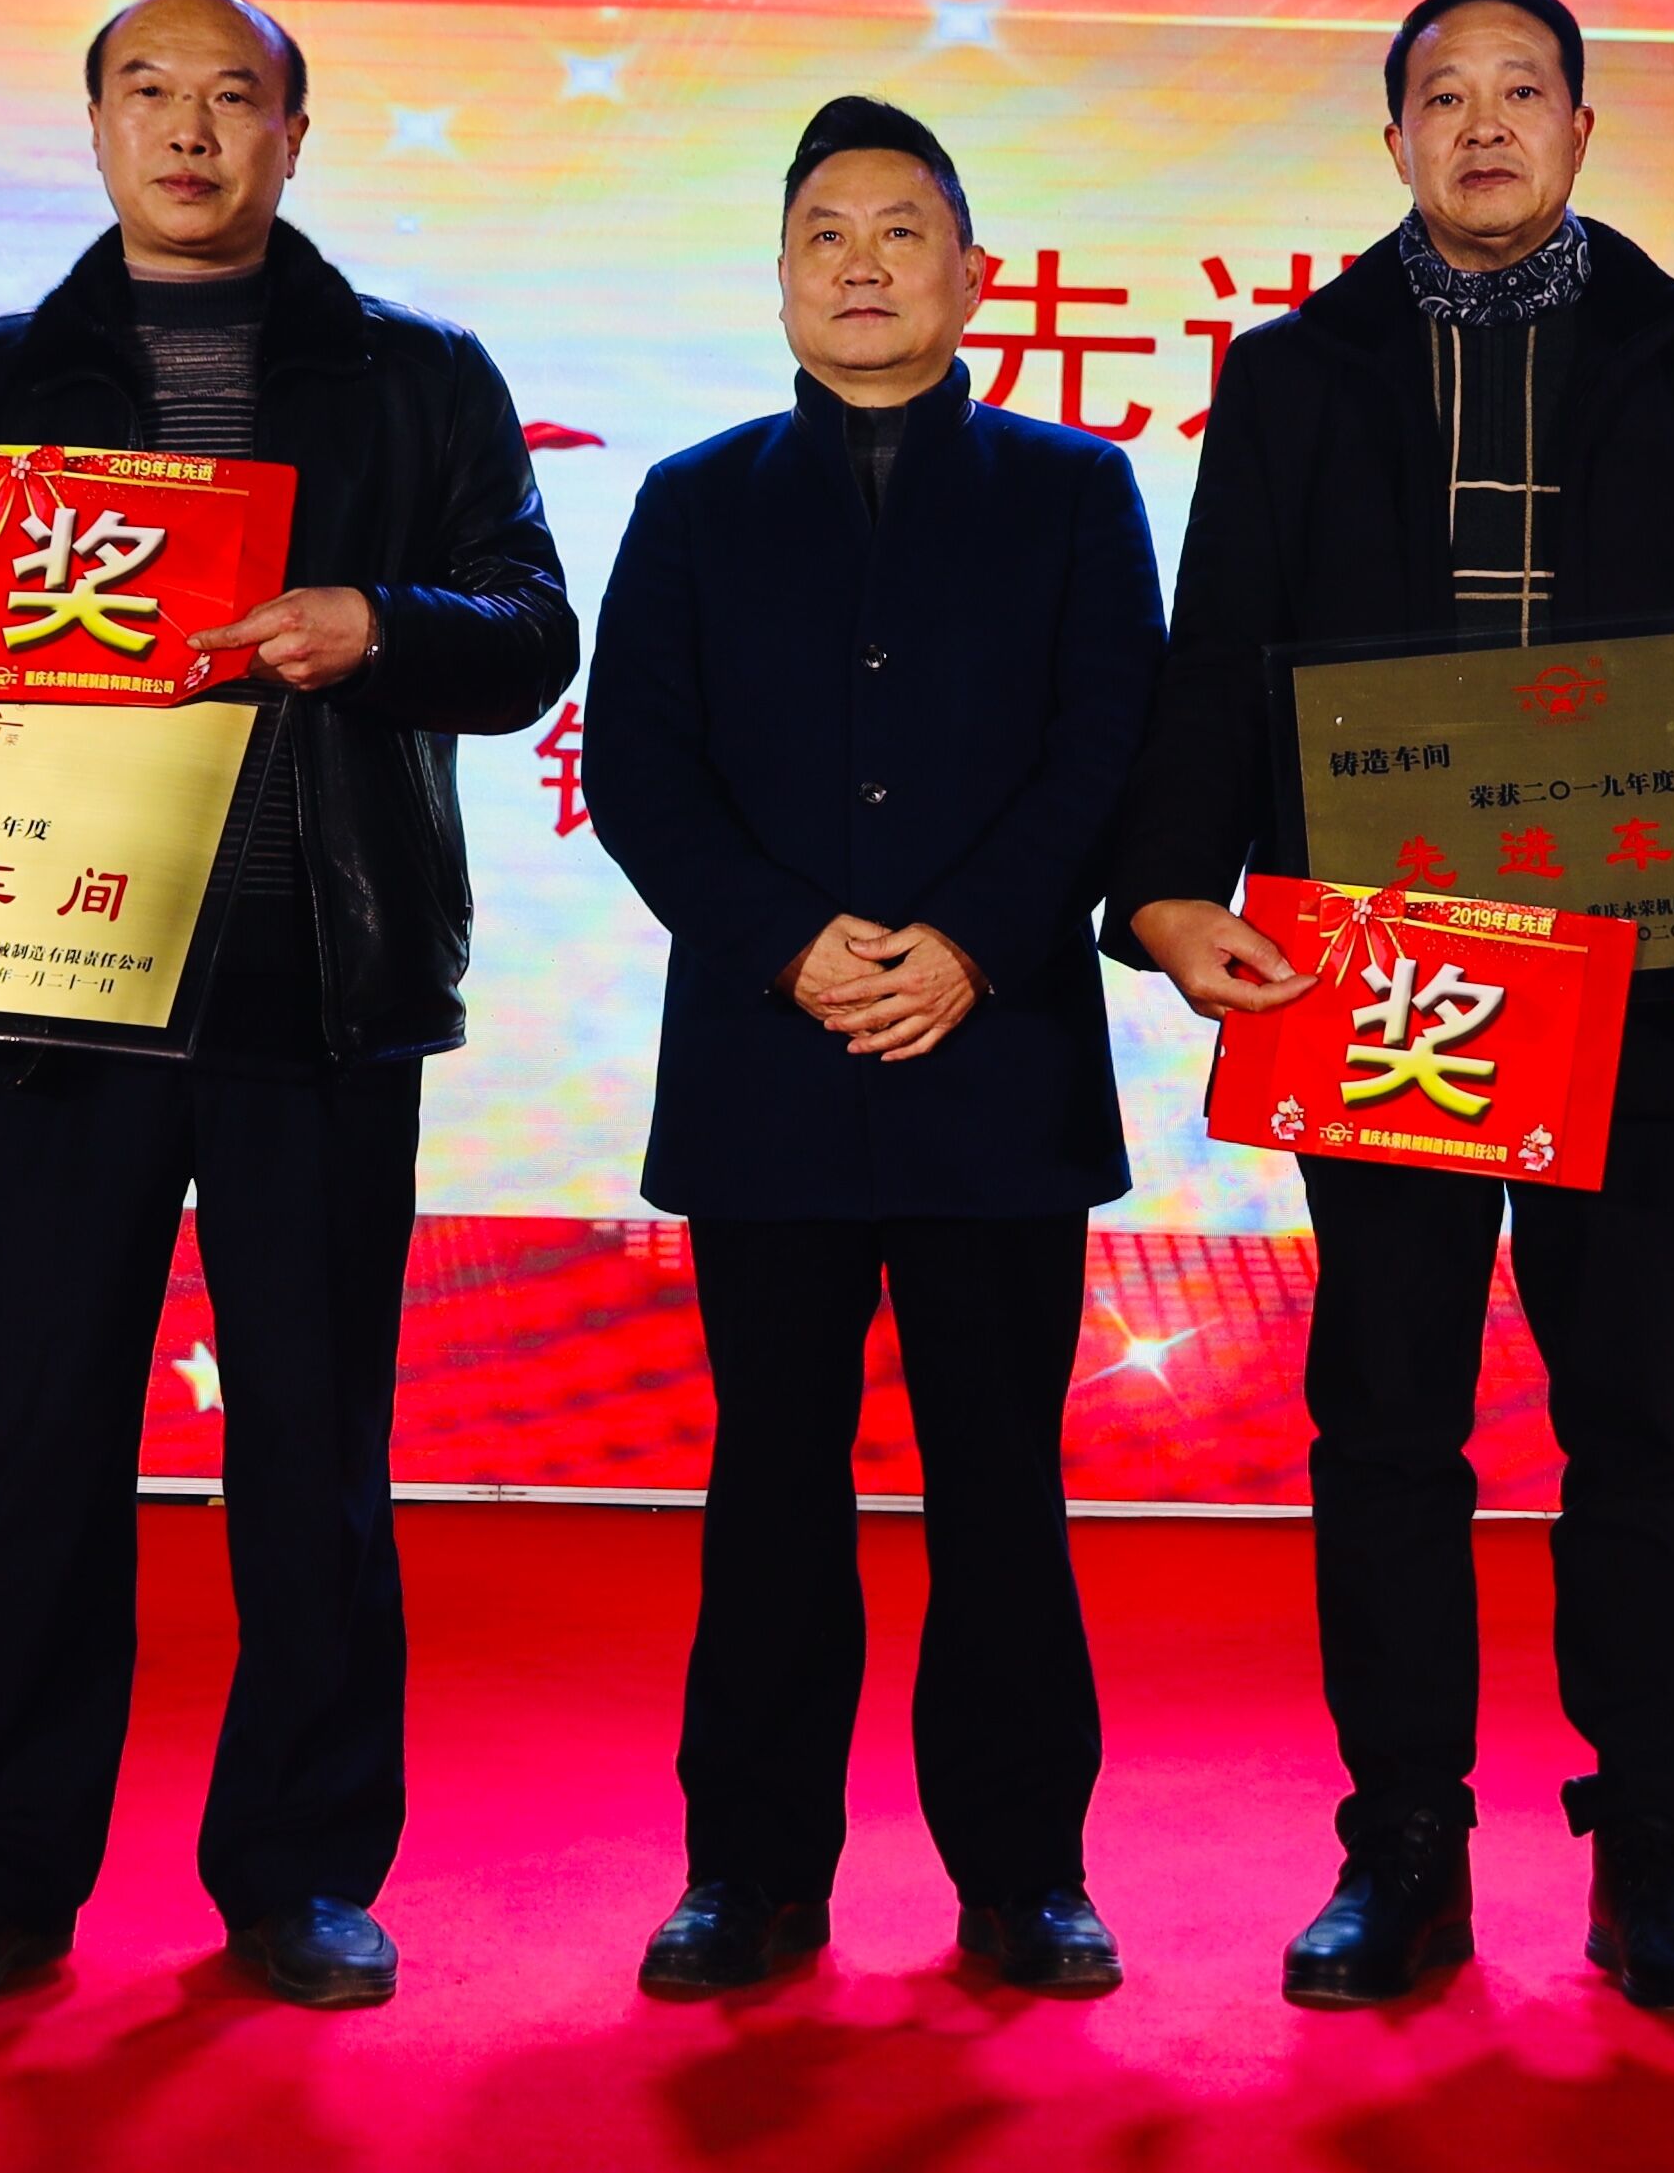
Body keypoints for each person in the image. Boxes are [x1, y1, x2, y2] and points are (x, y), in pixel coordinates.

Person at [0, 0, 578, 2015]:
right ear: (96, 126)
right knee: (34, 1445)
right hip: (50, 992)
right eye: (148, 92)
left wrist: (381, 621)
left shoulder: (420, 377)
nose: (188, 130)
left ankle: (301, 1871)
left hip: (315, 985)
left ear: (295, 133)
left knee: (312, 1451)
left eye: (232, 97)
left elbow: (532, 631)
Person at [1108, 0, 1674, 2014]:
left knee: (1642, 1428)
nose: (1484, 125)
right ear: (1392, 136)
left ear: (1582, 131)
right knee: (1386, 1424)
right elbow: (1219, 645)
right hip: (1382, 970)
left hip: (1643, 969)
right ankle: (1402, 1840)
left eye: (1523, 92)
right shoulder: (1295, 372)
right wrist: (1164, 891)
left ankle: (1655, 1841)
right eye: (1444, 95)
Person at [582, 97, 1165, 1996]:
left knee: (1002, 1482)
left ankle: (1026, 1871)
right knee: (772, 1479)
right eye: (824, 234)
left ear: (973, 274)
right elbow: (641, 768)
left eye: (901, 231)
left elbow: (1108, 748)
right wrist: (789, 944)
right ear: (776, 278)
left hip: (999, 1064)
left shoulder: (1074, 491)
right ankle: (749, 1870)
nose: (861, 265)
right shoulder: (693, 499)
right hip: (768, 1067)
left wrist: (974, 945)